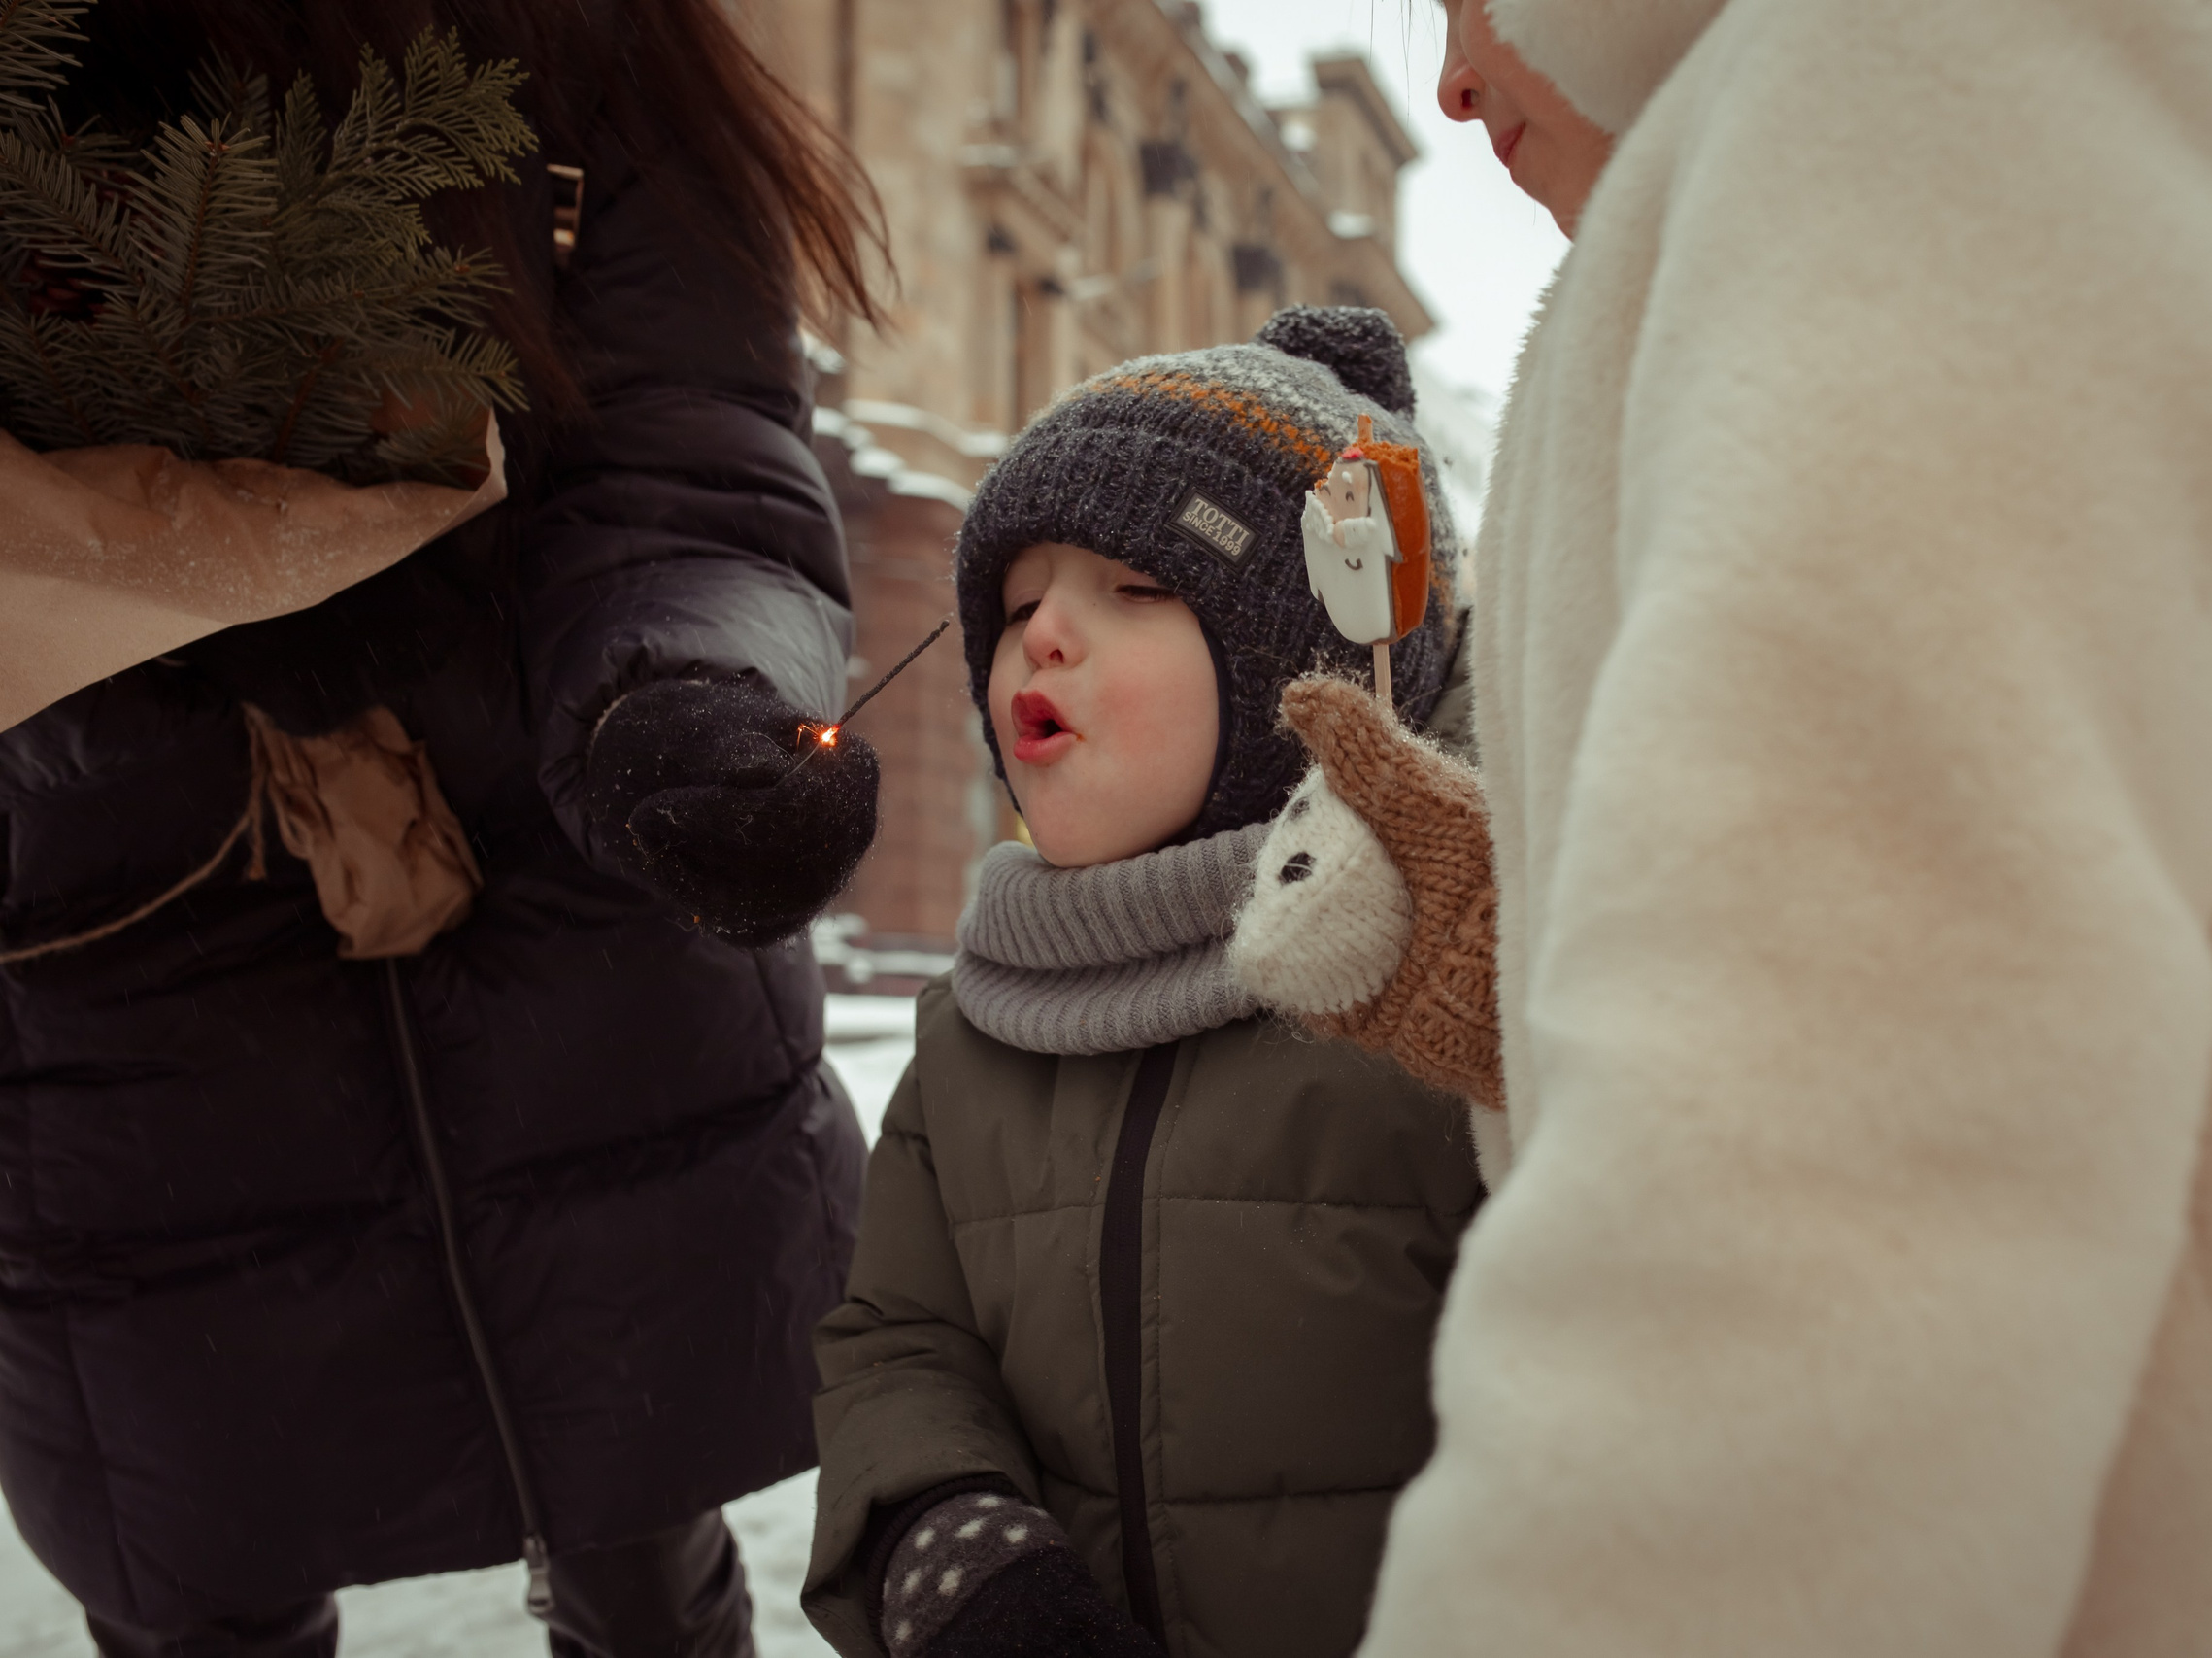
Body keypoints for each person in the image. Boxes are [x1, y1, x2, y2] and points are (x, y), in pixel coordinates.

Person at [1329, 0, 2212, 1654]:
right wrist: (1531, 948)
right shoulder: (1869, 116)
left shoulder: (1932, 75)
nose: (1448, 76)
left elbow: (1837, 1164)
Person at [0, 3, 887, 1654]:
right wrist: (90, 672)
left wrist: (686, 697)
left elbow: (694, 459)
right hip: (125, 998)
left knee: (644, 1526)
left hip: (571, 918)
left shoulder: (573, 41)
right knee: (203, 1571)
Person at [802, 309, 1487, 1658]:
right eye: (1012, 607)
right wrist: (955, 1552)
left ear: (1324, 658)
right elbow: (899, 1340)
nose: (1041, 638)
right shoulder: (978, 1022)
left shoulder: (1454, 978)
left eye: (1137, 589)